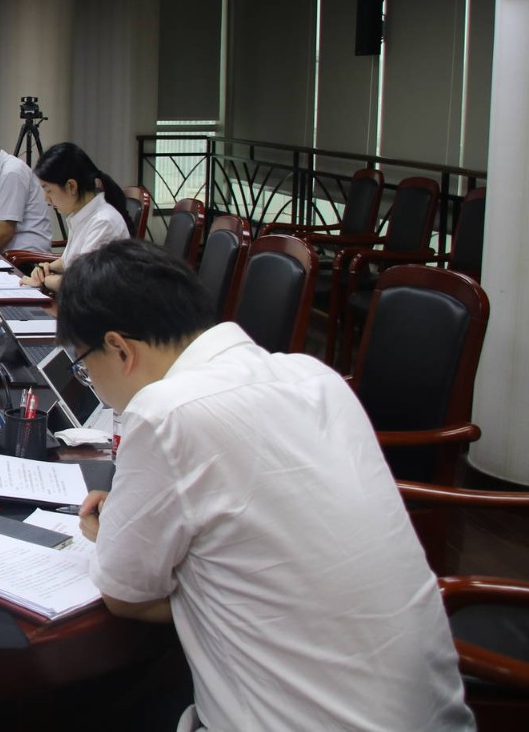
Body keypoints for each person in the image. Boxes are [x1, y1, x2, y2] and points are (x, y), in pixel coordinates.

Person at [59, 240, 471, 732]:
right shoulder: (315, 377)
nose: (91, 382)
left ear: (120, 349)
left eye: (84, 366)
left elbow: (125, 594)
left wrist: (111, 532)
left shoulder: (165, 412)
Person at [23, 142, 131, 293]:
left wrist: (44, 280)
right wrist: (46, 267)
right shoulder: (82, 214)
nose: (46, 198)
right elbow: (69, 260)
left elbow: (82, 283)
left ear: (71, 186)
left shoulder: (103, 223)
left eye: (48, 190)